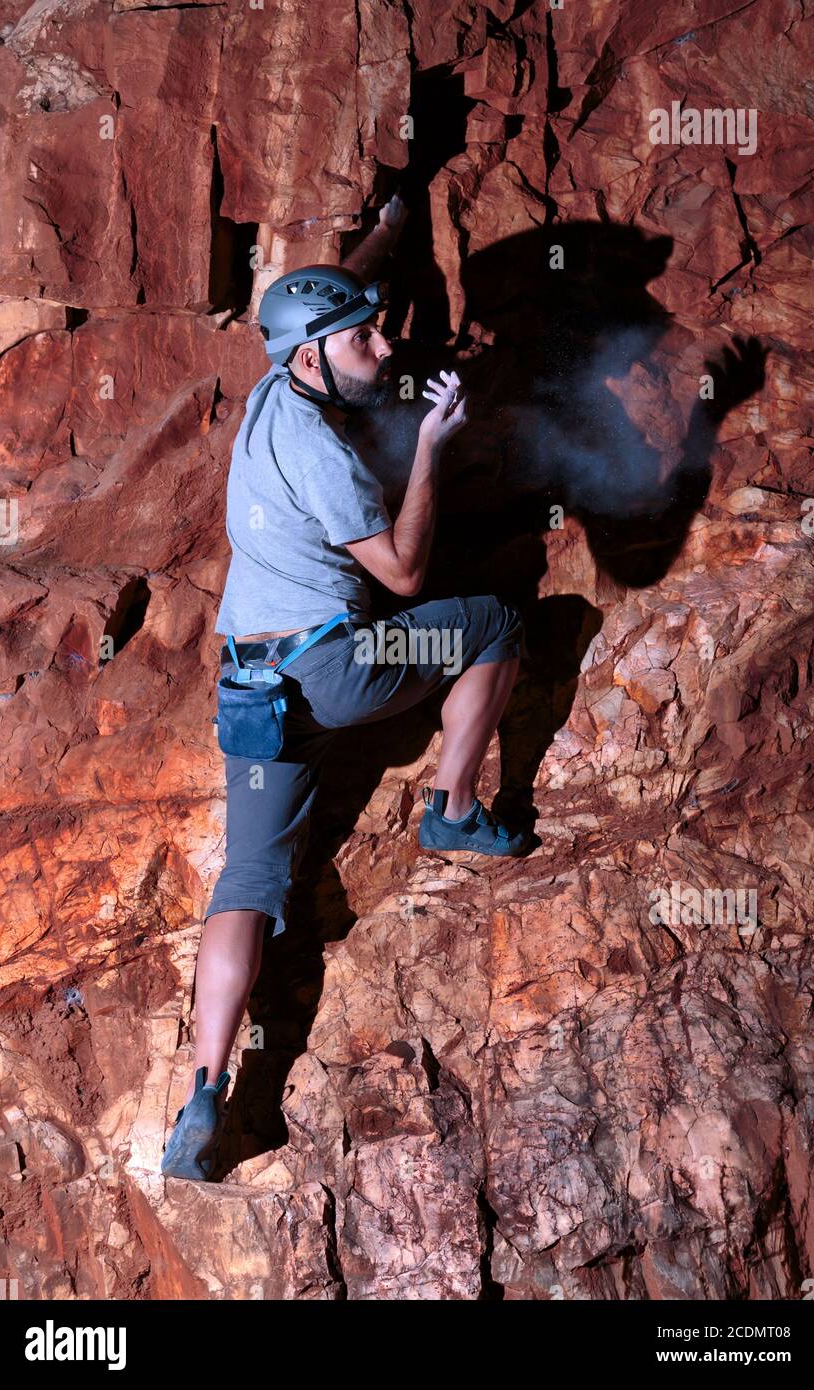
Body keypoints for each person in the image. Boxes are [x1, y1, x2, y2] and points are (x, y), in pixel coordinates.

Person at [161, 198, 533, 1180]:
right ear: (316, 356)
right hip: (331, 669)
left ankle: (205, 1093)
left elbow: (324, 297)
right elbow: (406, 572)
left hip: (249, 681)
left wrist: (392, 222)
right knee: (494, 622)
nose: (385, 342)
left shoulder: (272, 388)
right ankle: (454, 808)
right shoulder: (325, 453)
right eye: (364, 336)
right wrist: (430, 448)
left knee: (246, 884)